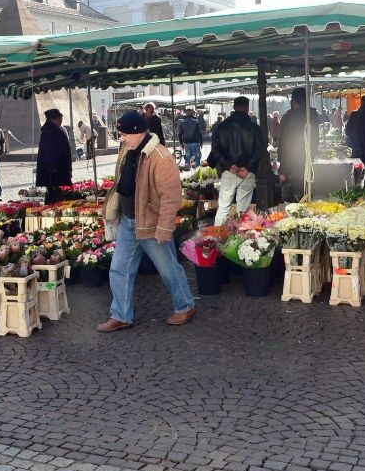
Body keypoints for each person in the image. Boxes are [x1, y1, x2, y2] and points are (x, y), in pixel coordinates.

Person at [97, 110, 195, 332]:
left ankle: (185, 306)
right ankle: (120, 315)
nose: (120, 138)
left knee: (169, 269)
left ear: (138, 133)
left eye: (124, 134)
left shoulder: (160, 158)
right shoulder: (127, 149)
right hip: (129, 222)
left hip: (151, 224)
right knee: (119, 269)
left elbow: (171, 197)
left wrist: (164, 229)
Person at [206, 96, 264, 226]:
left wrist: (229, 165)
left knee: (223, 208)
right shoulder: (253, 127)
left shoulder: (222, 126)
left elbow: (215, 150)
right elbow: (260, 149)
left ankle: (216, 238)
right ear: (247, 107)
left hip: (228, 172)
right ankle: (240, 238)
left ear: (234, 107)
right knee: (243, 211)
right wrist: (247, 167)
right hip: (247, 173)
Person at [278, 87, 319, 200]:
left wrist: (283, 167)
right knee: (307, 193)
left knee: (295, 198)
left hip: (292, 163)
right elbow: (316, 139)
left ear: (294, 101)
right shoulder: (312, 114)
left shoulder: (289, 117)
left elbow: (284, 143)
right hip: (308, 160)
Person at [36, 109, 72, 203]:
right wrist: (53, 167)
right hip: (53, 171)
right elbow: (50, 152)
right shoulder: (50, 132)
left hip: (56, 169)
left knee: (56, 195)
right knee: (53, 196)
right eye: (60, 118)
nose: (61, 120)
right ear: (55, 119)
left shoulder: (53, 130)